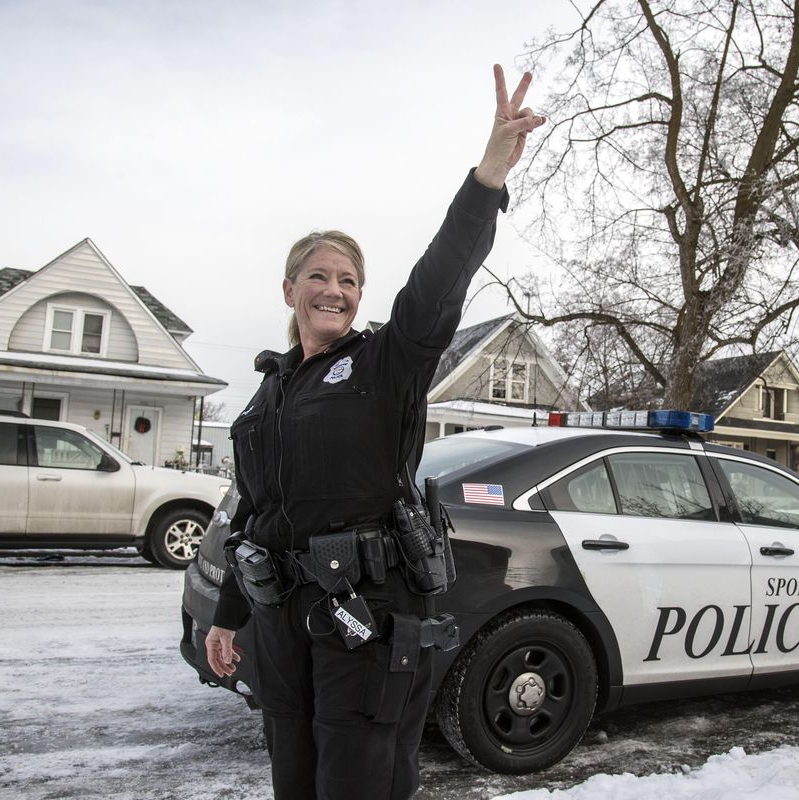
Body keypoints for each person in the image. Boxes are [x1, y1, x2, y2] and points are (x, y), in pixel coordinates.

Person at [203, 65, 544, 800]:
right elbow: (253, 516)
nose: (335, 290)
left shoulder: (387, 363)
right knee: (293, 775)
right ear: (289, 289)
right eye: (319, 276)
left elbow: (441, 276)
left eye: (350, 280)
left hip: (366, 614)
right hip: (281, 623)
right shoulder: (267, 398)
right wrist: (230, 616)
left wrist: (487, 176)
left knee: (358, 781)